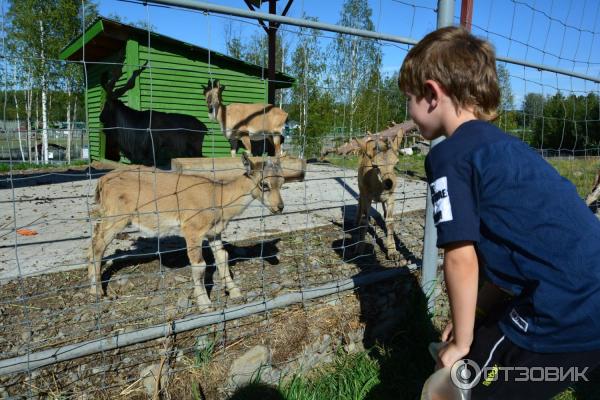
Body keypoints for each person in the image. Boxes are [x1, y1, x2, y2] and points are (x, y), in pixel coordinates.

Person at [399, 26, 600, 399]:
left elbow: (460, 259)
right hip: (589, 292)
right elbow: (519, 249)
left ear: (431, 94)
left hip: (561, 310)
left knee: (470, 383)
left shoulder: (448, 156)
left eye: (408, 99)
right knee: (490, 338)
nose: (408, 112)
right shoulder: (508, 148)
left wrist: (460, 342)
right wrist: (472, 319)